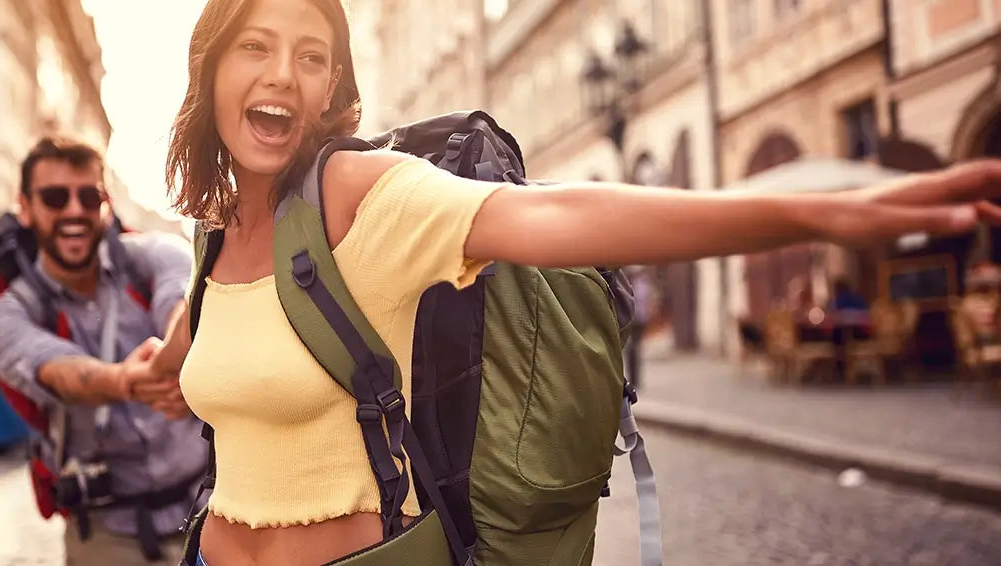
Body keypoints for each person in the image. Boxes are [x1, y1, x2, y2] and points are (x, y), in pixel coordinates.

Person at [140, 1, 1001, 564]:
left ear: (332, 88)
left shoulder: (357, 195)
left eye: (312, 55)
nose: (283, 72)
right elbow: (199, 349)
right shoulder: (215, 237)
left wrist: (822, 215)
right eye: (255, 46)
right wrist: (160, 371)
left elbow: (555, 218)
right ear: (210, 67)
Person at [0, 137, 206, 566]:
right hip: (105, 533)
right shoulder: (5, 317)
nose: (73, 211)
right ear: (24, 208)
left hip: (207, 511)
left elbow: (183, 306)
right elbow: (58, 372)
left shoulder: (155, 253)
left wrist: (172, 360)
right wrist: (131, 382)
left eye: (89, 196)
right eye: (54, 198)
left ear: (107, 204)